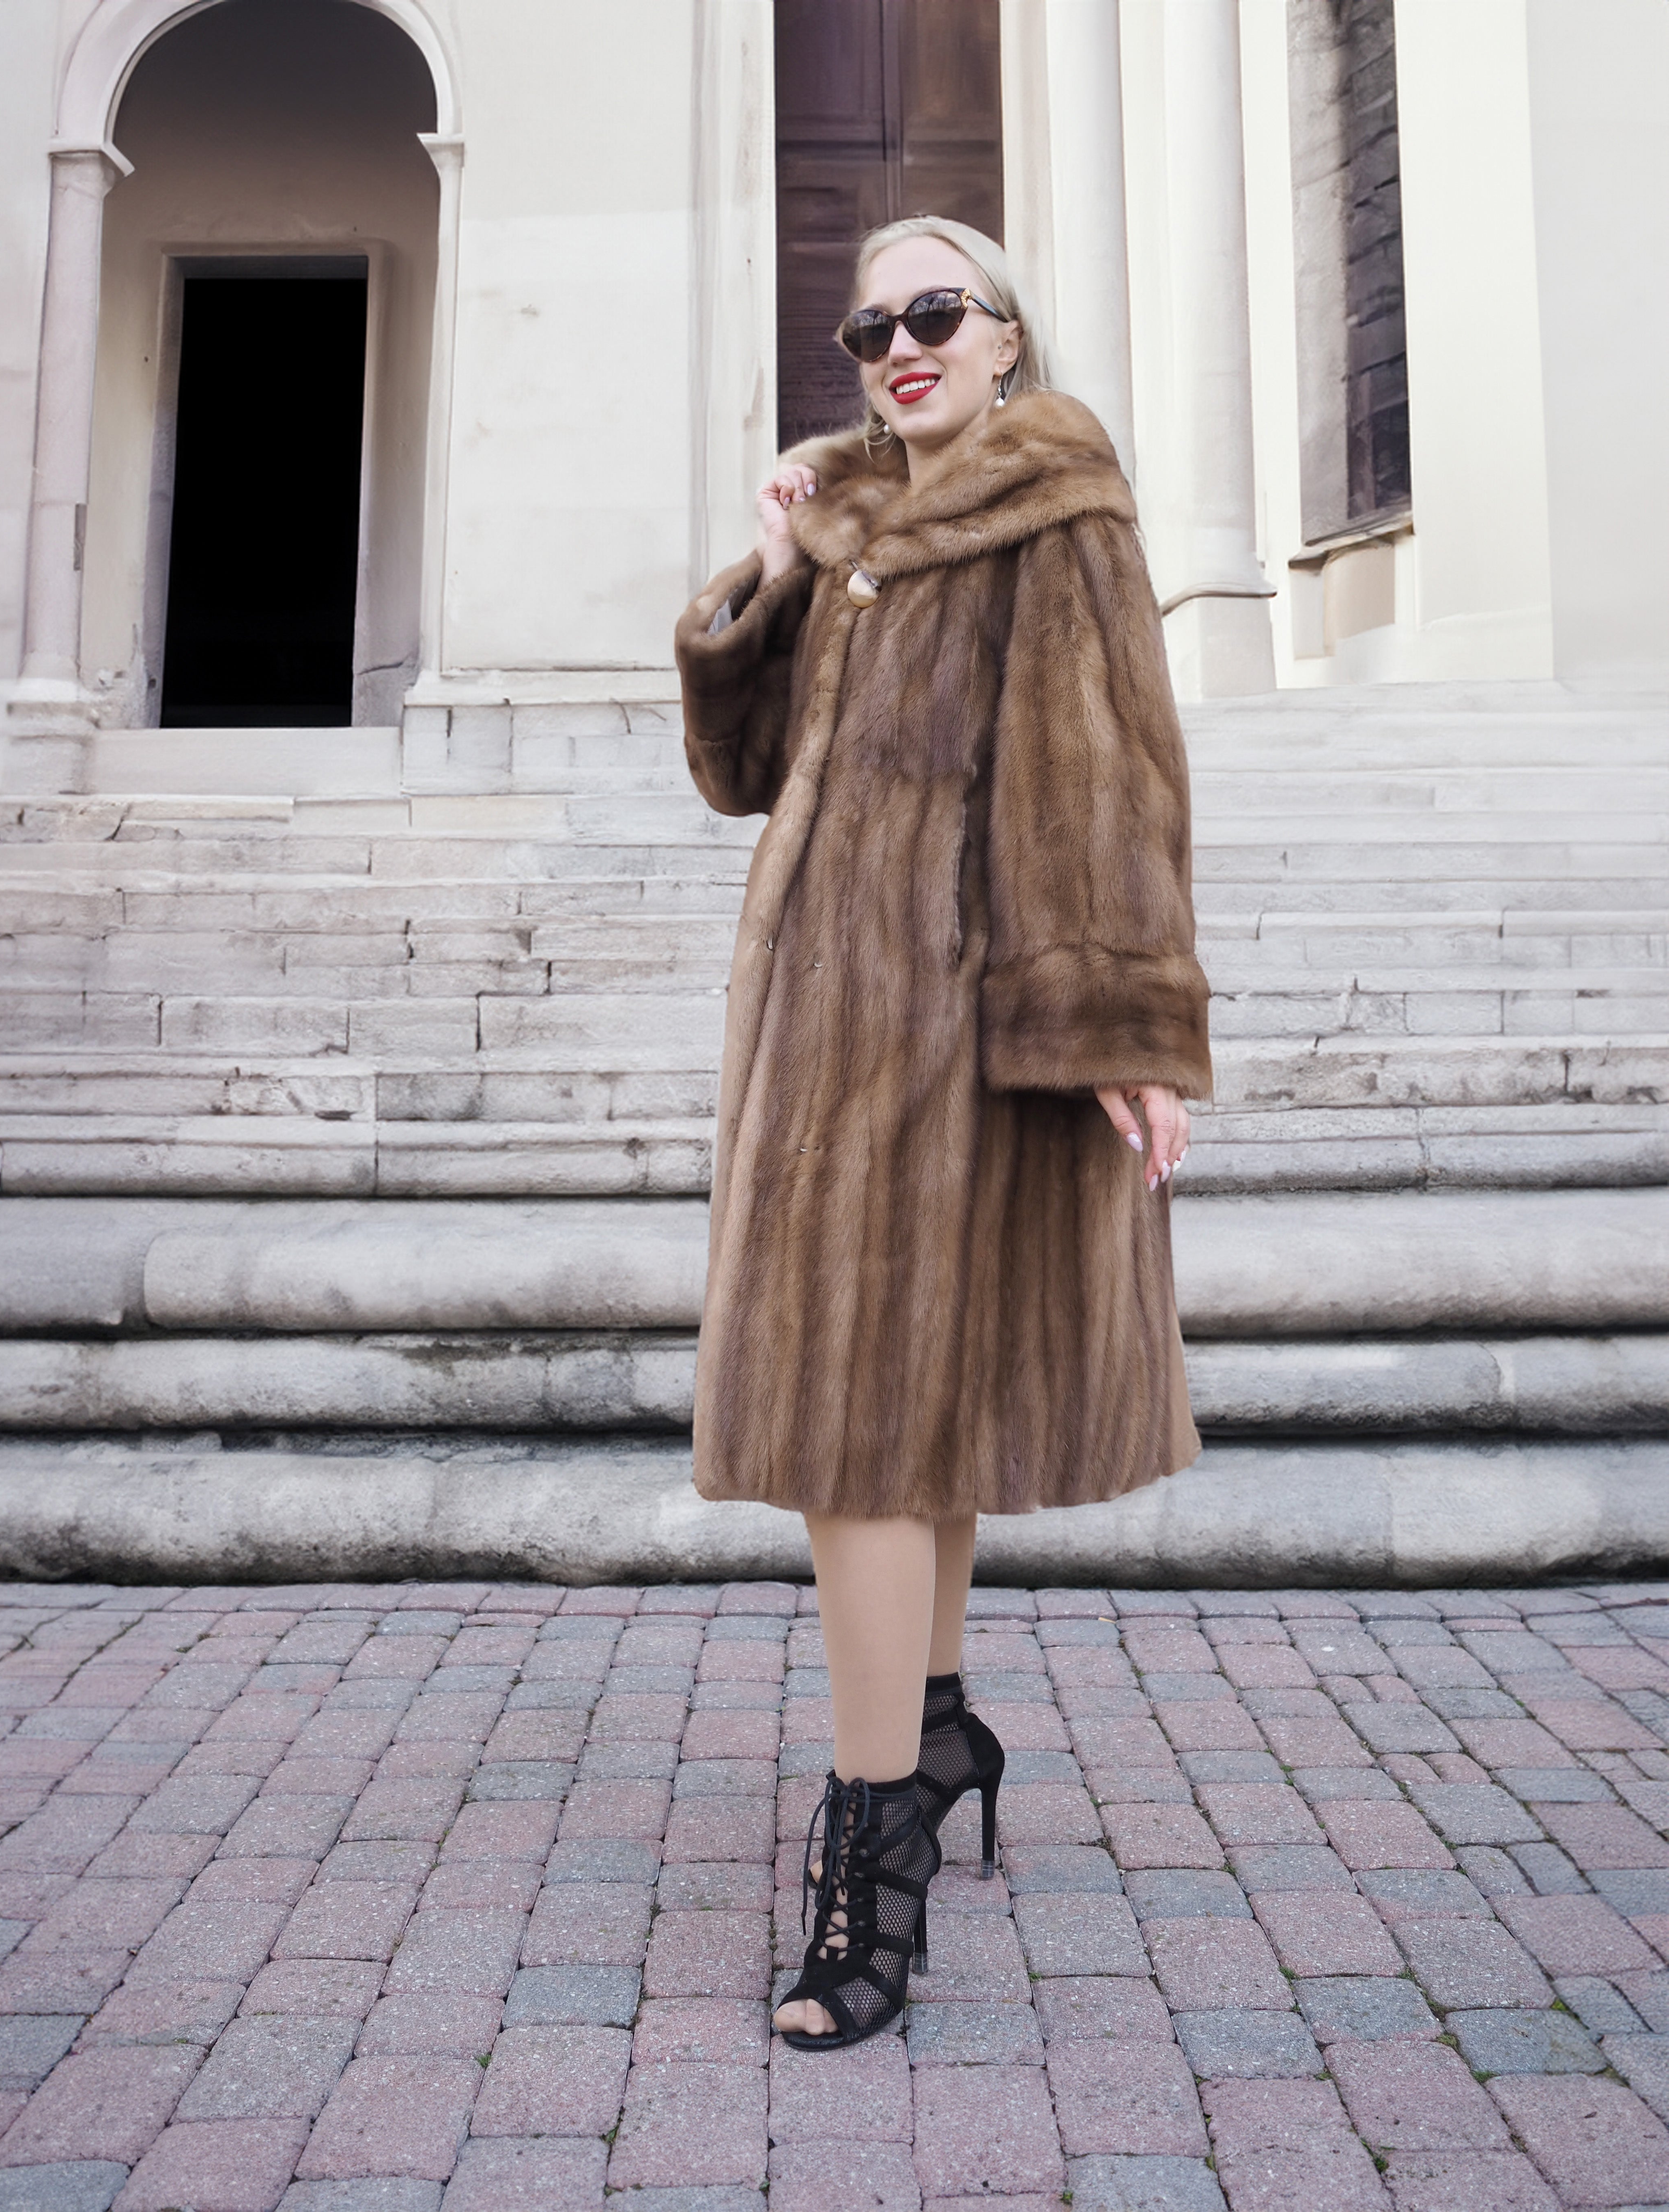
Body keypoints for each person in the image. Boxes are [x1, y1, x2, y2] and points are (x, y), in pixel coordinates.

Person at [673, 216, 1212, 2050]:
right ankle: (947, 1714)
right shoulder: (847, 533)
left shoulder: (1057, 514)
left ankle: (869, 1861)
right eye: (868, 326)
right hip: (833, 1039)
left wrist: (1130, 1021)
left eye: (933, 316)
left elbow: (1110, 768)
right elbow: (749, 778)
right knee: (916, 1406)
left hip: (959, 1032)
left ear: (1005, 338)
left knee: (862, 1426)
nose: (897, 346)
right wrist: (760, 579)